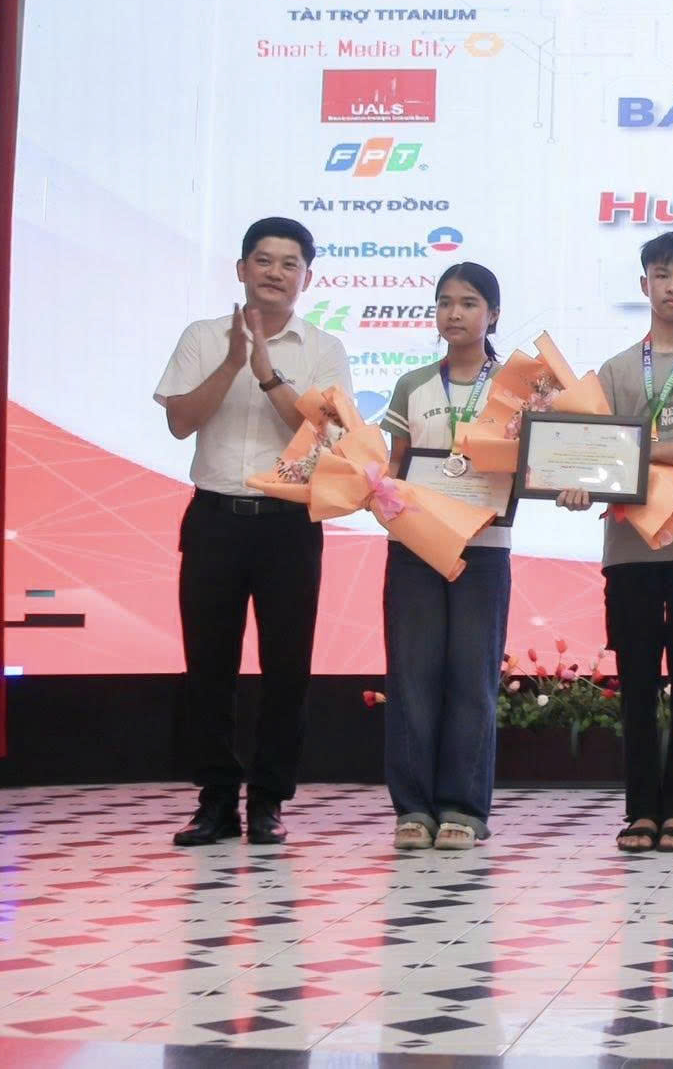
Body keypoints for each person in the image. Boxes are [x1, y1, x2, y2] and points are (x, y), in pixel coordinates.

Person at [154, 217, 352, 846]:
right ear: (241, 269)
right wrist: (233, 363)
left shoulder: (323, 348)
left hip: (289, 526)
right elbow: (180, 422)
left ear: (306, 279)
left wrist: (266, 372)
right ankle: (215, 800)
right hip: (214, 518)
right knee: (208, 664)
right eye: (264, 260)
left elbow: (328, 437)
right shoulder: (202, 337)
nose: (275, 273)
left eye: (290, 264)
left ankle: (268, 800)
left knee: (286, 667)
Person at [560, 231, 673, 854]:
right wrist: (578, 482)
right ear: (644, 285)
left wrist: (645, 451)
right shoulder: (615, 370)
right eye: (663, 274)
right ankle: (640, 810)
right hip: (631, 546)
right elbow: (595, 453)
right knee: (636, 682)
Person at [378, 263, 514, 852]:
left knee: (472, 676)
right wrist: (375, 490)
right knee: (412, 674)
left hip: (484, 548)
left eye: (469, 302)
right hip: (415, 546)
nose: (454, 313)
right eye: (445, 302)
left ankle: (464, 806)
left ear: (493, 315)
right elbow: (396, 462)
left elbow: (534, 461)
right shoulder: (413, 384)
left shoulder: (515, 387)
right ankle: (413, 808)